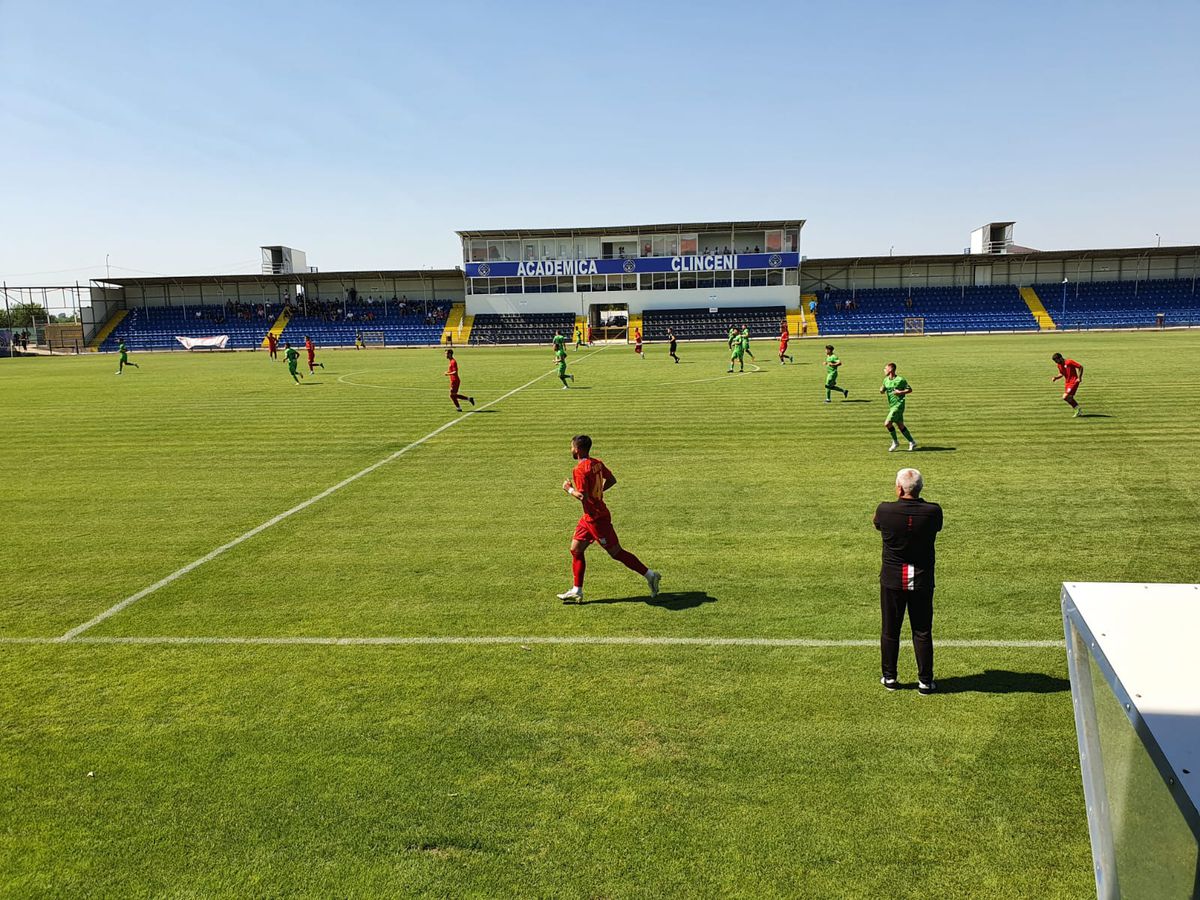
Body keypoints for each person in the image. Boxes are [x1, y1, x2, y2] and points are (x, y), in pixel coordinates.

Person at [557, 434, 660, 603]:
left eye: (571, 447)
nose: (571, 450)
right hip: (589, 517)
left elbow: (581, 496)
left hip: (597, 520)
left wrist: (568, 488)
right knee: (576, 549)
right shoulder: (597, 463)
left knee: (616, 552)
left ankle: (651, 575)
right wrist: (598, 494)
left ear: (578, 449)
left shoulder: (579, 470)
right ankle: (577, 590)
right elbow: (611, 480)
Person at [874, 468, 942, 694]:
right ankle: (925, 680)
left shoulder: (884, 510)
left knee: (890, 629)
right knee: (922, 630)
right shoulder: (933, 511)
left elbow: (877, 524)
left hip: (893, 578)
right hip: (921, 579)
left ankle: (890, 677)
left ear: (900, 488)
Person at [880, 362, 916, 451]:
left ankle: (895, 442)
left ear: (891, 369)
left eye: (885, 368)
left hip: (899, 405)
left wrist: (900, 392)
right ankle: (912, 442)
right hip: (892, 406)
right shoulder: (886, 380)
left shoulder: (900, 380)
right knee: (900, 425)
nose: (884, 370)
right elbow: (883, 388)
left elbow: (909, 390)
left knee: (887, 423)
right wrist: (881, 390)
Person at [1051, 352, 1084, 417]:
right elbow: (1061, 374)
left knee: (1065, 396)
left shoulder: (1069, 362)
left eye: (1056, 360)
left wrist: (1079, 378)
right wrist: (1056, 378)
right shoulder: (1059, 365)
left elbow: (1080, 367)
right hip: (1067, 383)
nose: (1056, 362)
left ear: (1060, 358)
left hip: (1074, 381)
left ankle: (1078, 409)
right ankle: (1078, 410)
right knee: (1069, 398)